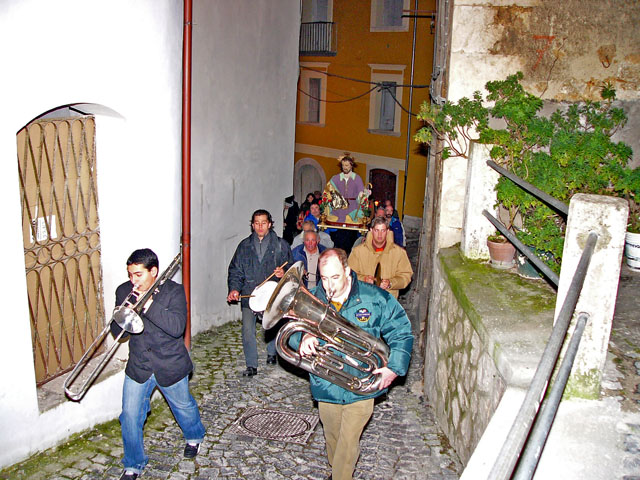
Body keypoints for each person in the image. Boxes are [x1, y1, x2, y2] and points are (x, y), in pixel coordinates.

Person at [293, 248, 413, 480]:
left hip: (363, 386)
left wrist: (393, 368)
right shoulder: (313, 299)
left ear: (347, 271)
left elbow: (401, 330)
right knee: (333, 439)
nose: (329, 285)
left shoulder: (373, 298)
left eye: (335, 277)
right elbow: (293, 331)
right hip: (326, 384)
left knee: (348, 443)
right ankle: (338, 471)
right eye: (324, 278)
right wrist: (304, 337)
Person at [111, 249, 205, 480]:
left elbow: (176, 328)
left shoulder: (173, 291)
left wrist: (149, 305)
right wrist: (126, 314)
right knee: (130, 416)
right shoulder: (124, 291)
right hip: (139, 365)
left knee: (183, 407)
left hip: (169, 363)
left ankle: (194, 436)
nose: (133, 280)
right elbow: (116, 332)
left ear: (153, 272)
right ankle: (133, 464)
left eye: (138, 275)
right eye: (130, 274)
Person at [227, 209, 293, 376]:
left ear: (270, 224)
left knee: (270, 325)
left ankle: (272, 352)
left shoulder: (280, 245)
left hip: (272, 293)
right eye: (257, 223)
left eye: (264, 223)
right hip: (250, 293)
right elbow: (235, 270)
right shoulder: (244, 246)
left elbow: (291, 268)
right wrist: (234, 289)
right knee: (247, 330)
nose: (260, 226)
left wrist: (282, 273)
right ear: (252, 225)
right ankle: (251, 365)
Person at [348, 216, 413, 299]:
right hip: (363, 301)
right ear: (371, 230)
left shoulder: (399, 253)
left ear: (387, 231)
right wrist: (364, 279)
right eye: (376, 230)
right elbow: (349, 275)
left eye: (383, 230)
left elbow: (406, 276)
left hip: (388, 301)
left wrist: (390, 283)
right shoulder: (358, 252)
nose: (380, 235)